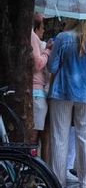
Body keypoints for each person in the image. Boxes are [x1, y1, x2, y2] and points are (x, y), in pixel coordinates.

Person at [46, 19, 86, 188]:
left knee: (59, 137)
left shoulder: (62, 38)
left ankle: (58, 183)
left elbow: (52, 66)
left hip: (62, 92)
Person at [31, 13, 50, 158]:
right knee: (35, 134)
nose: (44, 31)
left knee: (37, 133)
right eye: (43, 27)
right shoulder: (34, 38)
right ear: (37, 27)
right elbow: (38, 64)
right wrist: (48, 51)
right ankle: (33, 166)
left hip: (36, 91)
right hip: (36, 91)